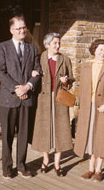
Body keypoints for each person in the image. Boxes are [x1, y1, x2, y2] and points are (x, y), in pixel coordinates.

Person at [0, 15, 41, 179]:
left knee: (23, 134)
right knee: (7, 136)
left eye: (24, 27)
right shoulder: (2, 47)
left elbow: (37, 71)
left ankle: (21, 165)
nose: (22, 30)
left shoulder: (33, 49)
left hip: (27, 98)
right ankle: (7, 167)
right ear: (11, 30)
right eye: (18, 28)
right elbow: (1, 72)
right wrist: (18, 89)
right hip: (8, 99)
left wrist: (28, 86)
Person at [74, 39, 104, 182]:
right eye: (100, 49)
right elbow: (82, 88)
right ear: (94, 50)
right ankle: (90, 169)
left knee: (101, 138)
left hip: (103, 108)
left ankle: (99, 170)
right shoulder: (86, 66)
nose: (103, 53)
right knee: (89, 138)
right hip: (88, 108)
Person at [32, 33, 74, 177]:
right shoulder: (39, 58)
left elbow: (71, 80)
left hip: (59, 99)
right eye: (55, 43)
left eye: (58, 43)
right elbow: (33, 75)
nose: (58, 45)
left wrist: (65, 81)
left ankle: (57, 163)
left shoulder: (65, 59)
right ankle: (45, 160)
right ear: (47, 44)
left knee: (61, 131)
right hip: (43, 99)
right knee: (44, 130)